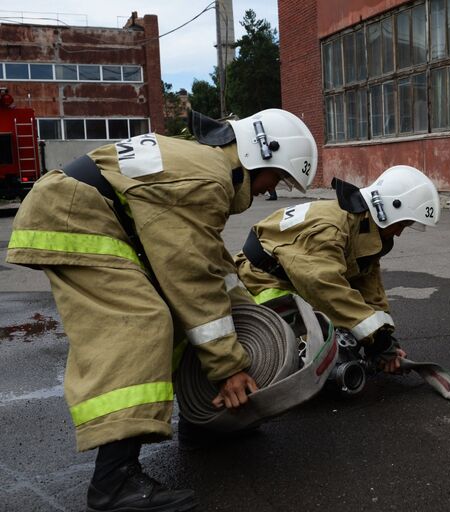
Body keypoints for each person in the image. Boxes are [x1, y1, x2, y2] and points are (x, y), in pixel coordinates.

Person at [5, 108, 318, 511]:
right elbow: (189, 275)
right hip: (74, 216)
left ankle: (201, 424)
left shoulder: (206, 167)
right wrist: (228, 365)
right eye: (278, 177)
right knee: (142, 324)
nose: (272, 189)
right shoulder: (210, 178)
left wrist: (249, 319)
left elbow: (212, 268)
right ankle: (113, 482)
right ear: (261, 156)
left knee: (185, 317)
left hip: (91, 213)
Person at [234, 165, 440, 374]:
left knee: (345, 327)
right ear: (387, 210)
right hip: (261, 279)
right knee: (312, 352)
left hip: (292, 277)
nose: (398, 234)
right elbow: (324, 285)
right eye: (402, 225)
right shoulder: (332, 230)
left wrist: (385, 340)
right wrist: (376, 342)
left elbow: (370, 289)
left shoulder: (362, 226)